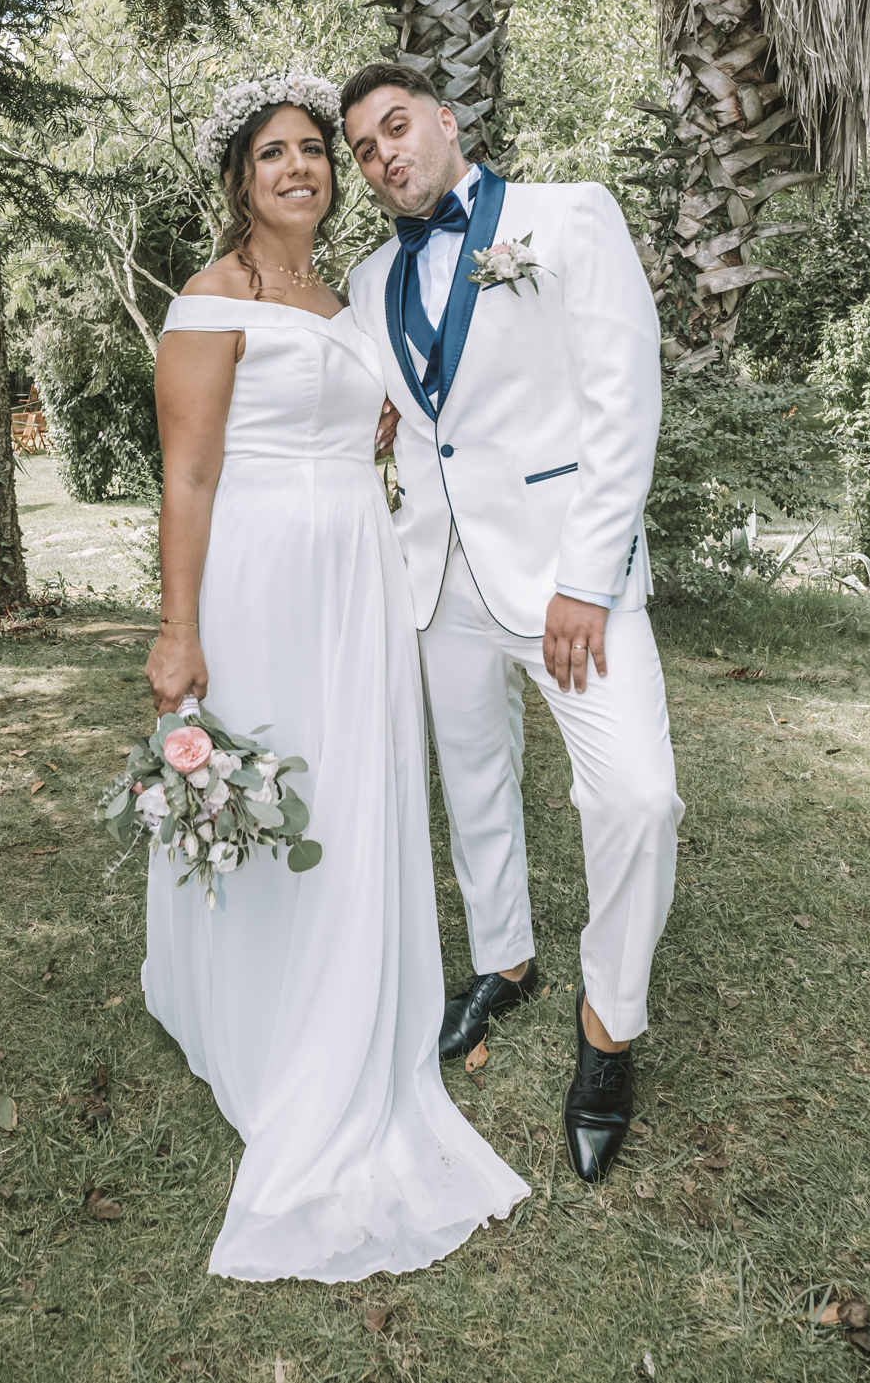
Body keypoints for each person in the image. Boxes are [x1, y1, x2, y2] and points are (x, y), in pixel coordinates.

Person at [142, 71, 528, 1283]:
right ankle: (257, 1004)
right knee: (269, 771)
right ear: (239, 178)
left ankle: (351, 980)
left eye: (315, 149)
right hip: (258, 570)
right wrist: (177, 626)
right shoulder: (210, 297)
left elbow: (391, 411)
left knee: (351, 785)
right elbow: (188, 474)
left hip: (357, 569)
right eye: (275, 153)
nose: (300, 166)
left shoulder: (352, 296)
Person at [342, 63, 684, 1184]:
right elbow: (395, 407)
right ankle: (505, 958)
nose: (383, 154)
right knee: (472, 781)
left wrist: (587, 578)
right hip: (437, 578)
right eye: (364, 148)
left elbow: (624, 398)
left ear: (446, 121)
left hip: (564, 583)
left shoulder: (568, 216)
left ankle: (608, 1026)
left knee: (635, 797)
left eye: (397, 126)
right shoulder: (366, 280)